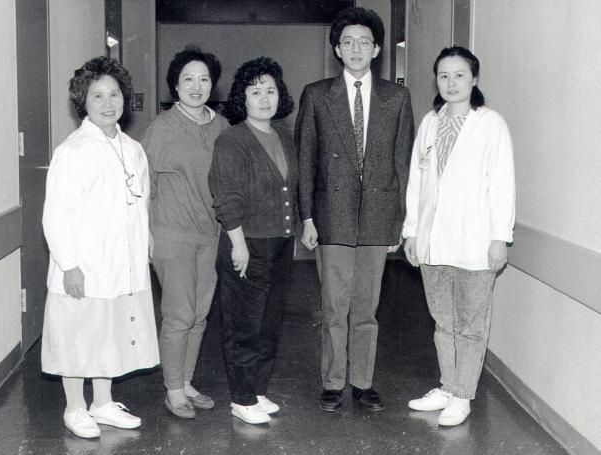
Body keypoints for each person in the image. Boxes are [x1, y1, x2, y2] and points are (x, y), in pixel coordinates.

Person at [295, 6, 414, 412]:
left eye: (365, 41)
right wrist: (307, 217)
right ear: (337, 49)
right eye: (348, 42)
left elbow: (404, 162)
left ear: (377, 48)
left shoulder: (397, 98)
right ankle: (332, 381)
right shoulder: (316, 95)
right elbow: (305, 160)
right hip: (331, 217)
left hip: (378, 218)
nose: (356, 48)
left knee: (367, 308)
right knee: (333, 306)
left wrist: (402, 219)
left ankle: (363, 382)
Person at [41, 56, 158, 439]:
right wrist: (69, 264)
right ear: (84, 103)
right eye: (98, 96)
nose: (109, 103)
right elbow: (57, 214)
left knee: (109, 332)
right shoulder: (72, 152)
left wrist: (145, 248)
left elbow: (140, 204)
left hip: (123, 262)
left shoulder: (133, 148)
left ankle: (103, 403)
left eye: (114, 94)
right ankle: (75, 407)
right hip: (84, 263)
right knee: (78, 334)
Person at [403, 46, 515, 426]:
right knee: (443, 321)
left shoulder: (490, 124)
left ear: (474, 79)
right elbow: (417, 184)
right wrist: (412, 233)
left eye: (459, 75)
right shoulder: (430, 123)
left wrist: (500, 236)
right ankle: (448, 387)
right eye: (444, 76)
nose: (451, 83)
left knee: (470, 324)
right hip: (434, 241)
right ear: (436, 80)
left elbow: (503, 184)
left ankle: (462, 395)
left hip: (476, 242)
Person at [141, 45, 229, 419]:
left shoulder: (221, 126)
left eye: (204, 79)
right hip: (171, 234)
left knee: (199, 314)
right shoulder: (161, 128)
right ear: (175, 86)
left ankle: (186, 380)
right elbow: (143, 186)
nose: (196, 86)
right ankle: (173, 389)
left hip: (210, 235)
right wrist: (145, 234)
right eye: (188, 79)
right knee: (178, 314)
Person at [209, 57, 297, 425]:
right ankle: (242, 399)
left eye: (271, 90)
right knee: (244, 325)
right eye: (255, 91)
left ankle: (258, 391)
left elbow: (291, 188)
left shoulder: (283, 136)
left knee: (269, 323)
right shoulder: (232, 140)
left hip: (280, 243)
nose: (264, 98)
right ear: (241, 98)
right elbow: (226, 196)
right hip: (246, 244)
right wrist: (239, 244)